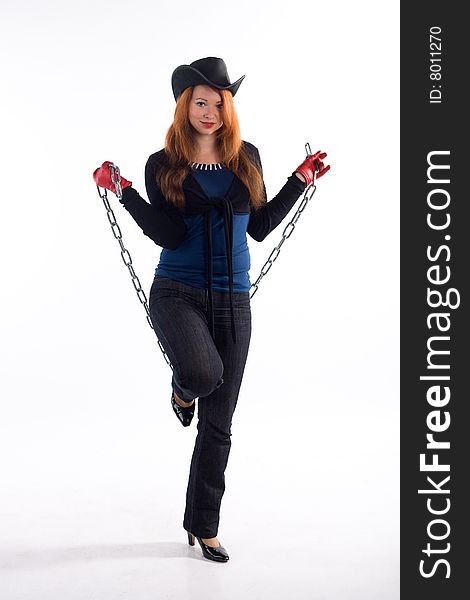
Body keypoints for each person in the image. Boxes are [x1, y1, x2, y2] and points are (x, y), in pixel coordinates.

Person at [93, 56, 330, 563]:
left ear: (228, 107)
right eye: (200, 102)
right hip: (177, 292)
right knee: (202, 374)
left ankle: (204, 525)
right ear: (185, 107)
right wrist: (126, 193)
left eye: (219, 102)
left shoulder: (249, 157)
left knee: (219, 424)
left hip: (233, 300)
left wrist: (299, 180)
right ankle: (182, 390)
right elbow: (169, 233)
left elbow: (260, 227)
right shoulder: (164, 164)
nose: (210, 111)